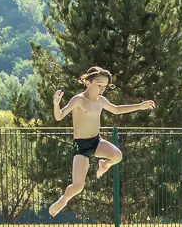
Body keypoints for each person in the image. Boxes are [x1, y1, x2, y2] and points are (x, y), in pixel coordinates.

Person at [48, 67, 154, 217]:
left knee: (117, 155)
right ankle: (63, 200)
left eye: (105, 86)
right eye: (99, 85)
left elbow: (116, 109)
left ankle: (104, 164)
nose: (102, 89)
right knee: (78, 186)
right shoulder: (78, 100)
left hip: (96, 141)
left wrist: (140, 106)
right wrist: (56, 103)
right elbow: (59, 117)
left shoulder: (101, 101)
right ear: (88, 82)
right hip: (81, 146)